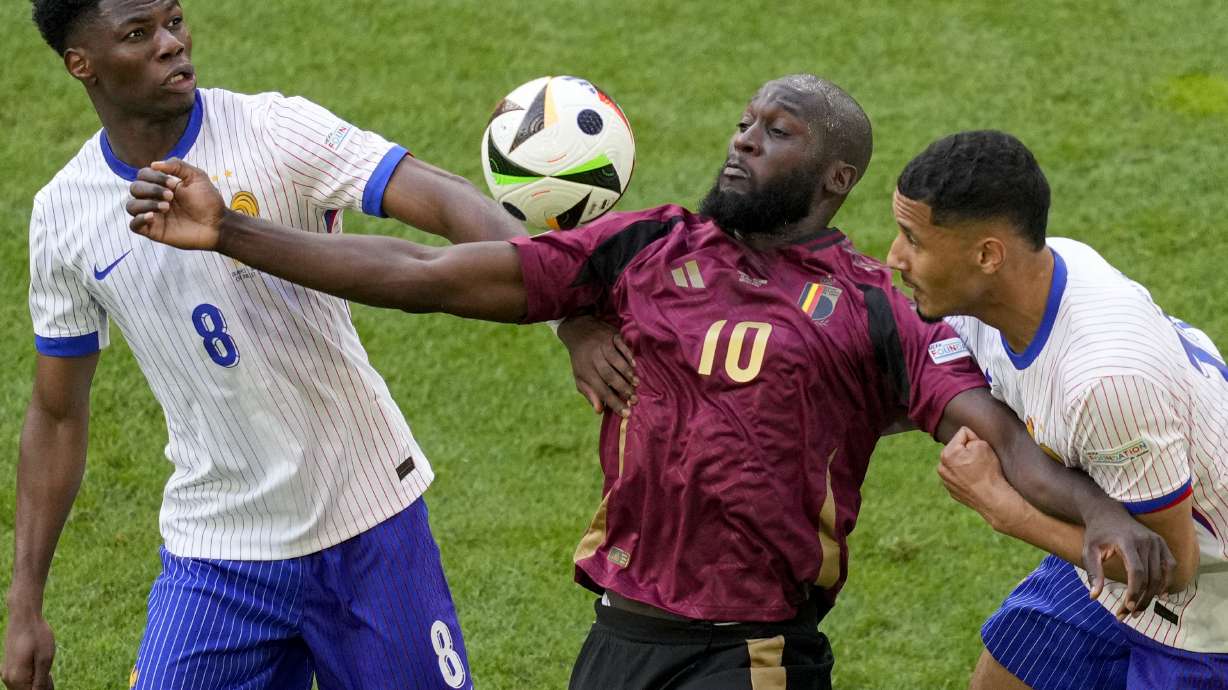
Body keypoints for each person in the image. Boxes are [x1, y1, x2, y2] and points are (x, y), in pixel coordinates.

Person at [125, 74, 1175, 690]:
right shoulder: (644, 249)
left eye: (777, 132)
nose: (744, 137)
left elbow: (997, 433)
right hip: (618, 635)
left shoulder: (869, 308)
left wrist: (1097, 514)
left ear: (835, 178)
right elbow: (426, 272)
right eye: (746, 121)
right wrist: (235, 235)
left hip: (751, 653)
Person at [2, 1, 630, 689]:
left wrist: (567, 317)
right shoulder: (64, 213)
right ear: (81, 63)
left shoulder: (273, 129)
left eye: (173, 21)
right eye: (137, 34)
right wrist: (24, 603)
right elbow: (57, 413)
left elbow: (447, 200)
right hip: (217, 549)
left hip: (369, 520)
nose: (171, 44)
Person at [886, 130, 1228, 689]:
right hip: (1110, 555)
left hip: (1209, 612)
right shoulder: (1021, 282)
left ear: (987, 255)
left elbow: (1173, 565)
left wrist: (1003, 508)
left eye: (913, 240)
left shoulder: (1104, 382)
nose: (894, 257)